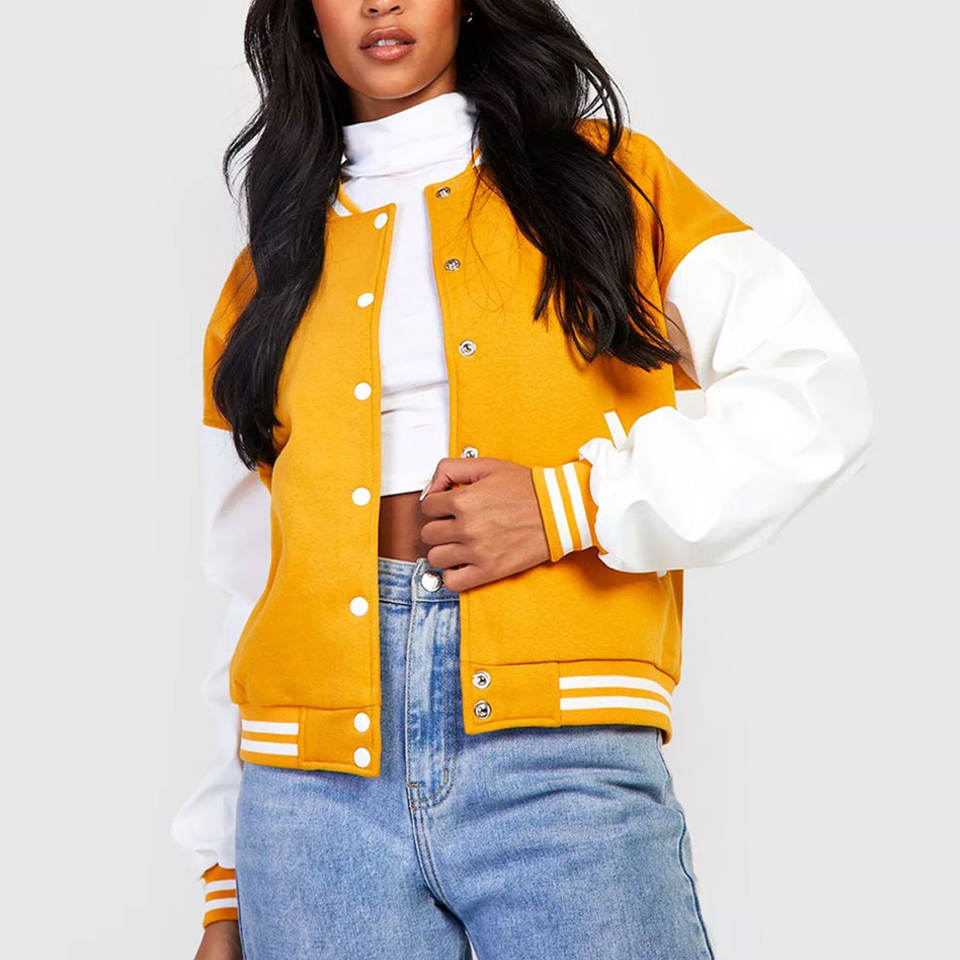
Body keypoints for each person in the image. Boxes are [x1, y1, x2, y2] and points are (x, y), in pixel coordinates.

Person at [171, 1, 874, 958]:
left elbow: (816, 392)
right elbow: (247, 580)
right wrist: (225, 882)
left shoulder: (611, 183)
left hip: (559, 759)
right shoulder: (267, 270)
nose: (381, 3)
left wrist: (569, 505)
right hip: (308, 797)